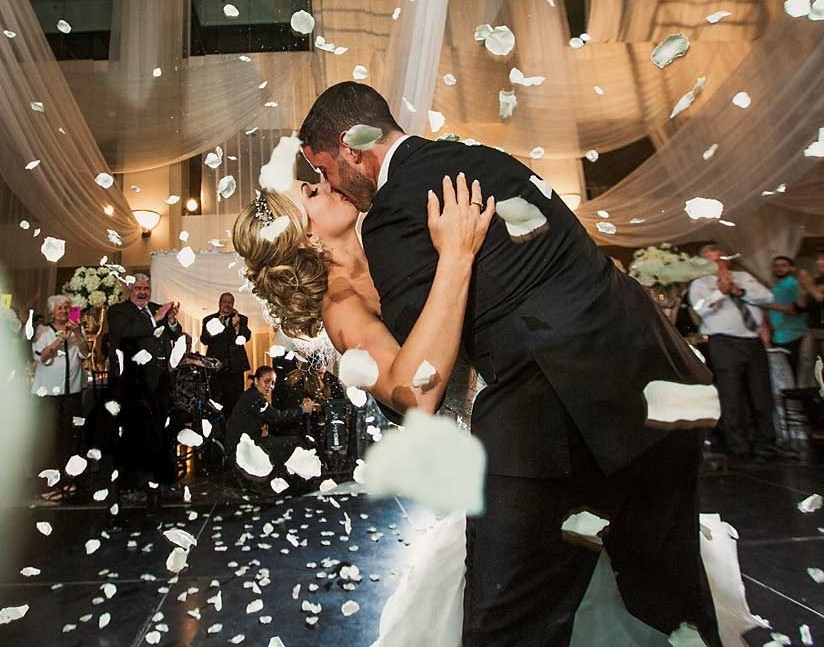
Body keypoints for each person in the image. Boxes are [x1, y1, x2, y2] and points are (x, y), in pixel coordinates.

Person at [260, 80, 721, 645]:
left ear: (353, 149)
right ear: (303, 236)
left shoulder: (390, 221)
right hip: (650, 384)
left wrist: (455, 257)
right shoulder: (477, 162)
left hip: (548, 425)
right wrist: (454, 255)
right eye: (309, 190)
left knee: (510, 623)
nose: (324, 184)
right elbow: (416, 385)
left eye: (323, 173)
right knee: (670, 602)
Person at [689, 245, 794, 461]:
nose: (717, 264)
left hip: (752, 340)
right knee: (731, 393)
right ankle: (737, 444)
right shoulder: (700, 283)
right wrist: (721, 292)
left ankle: (766, 442)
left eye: (720, 259)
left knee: (761, 392)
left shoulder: (744, 277)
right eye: (711, 260)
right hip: (723, 342)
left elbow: (767, 296)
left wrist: (740, 291)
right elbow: (701, 308)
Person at [106, 274, 182, 498]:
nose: (143, 292)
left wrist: (170, 321)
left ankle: (160, 481)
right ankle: (137, 482)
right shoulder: (118, 311)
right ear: (130, 289)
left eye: (146, 288)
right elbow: (126, 333)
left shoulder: (158, 308)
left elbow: (175, 333)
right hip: (134, 383)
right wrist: (156, 318)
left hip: (160, 382)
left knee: (161, 431)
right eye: (138, 288)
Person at [31, 294, 90, 502]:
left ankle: (68, 481)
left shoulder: (76, 330)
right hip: (49, 393)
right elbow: (42, 357)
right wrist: (59, 339)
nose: (64, 312)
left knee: (69, 438)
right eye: (59, 309)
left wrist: (77, 334)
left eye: (67, 308)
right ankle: (47, 485)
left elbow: (85, 353)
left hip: (72, 391)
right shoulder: (43, 331)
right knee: (50, 440)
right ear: (52, 312)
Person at [224, 366, 318, 478]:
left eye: (273, 383)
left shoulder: (252, 395)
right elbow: (278, 417)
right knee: (294, 442)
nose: (270, 386)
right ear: (256, 381)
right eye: (267, 381)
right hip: (240, 449)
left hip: (244, 443)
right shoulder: (254, 398)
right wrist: (302, 409)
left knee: (289, 440)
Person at [200, 293, 252, 417]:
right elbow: (204, 340)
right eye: (225, 301)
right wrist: (216, 325)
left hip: (235, 368)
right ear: (220, 303)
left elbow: (246, 337)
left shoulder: (241, 319)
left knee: (234, 402)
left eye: (230, 302)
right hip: (216, 368)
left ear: (233, 304)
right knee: (215, 402)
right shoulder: (209, 319)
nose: (227, 304)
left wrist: (237, 326)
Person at [764, 255, 808, 382]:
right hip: (778, 336)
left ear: (792, 268)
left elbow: (797, 310)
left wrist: (766, 304)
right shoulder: (775, 287)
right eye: (776, 266)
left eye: (783, 266)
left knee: (796, 375)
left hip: (795, 335)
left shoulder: (793, 285)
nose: (779, 269)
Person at [800, 248, 824, 386]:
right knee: (808, 363)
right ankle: (810, 398)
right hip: (813, 327)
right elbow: (801, 305)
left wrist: (808, 284)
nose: (820, 262)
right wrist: (802, 289)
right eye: (818, 259)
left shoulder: (813, 282)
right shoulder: (815, 280)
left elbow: (820, 297)